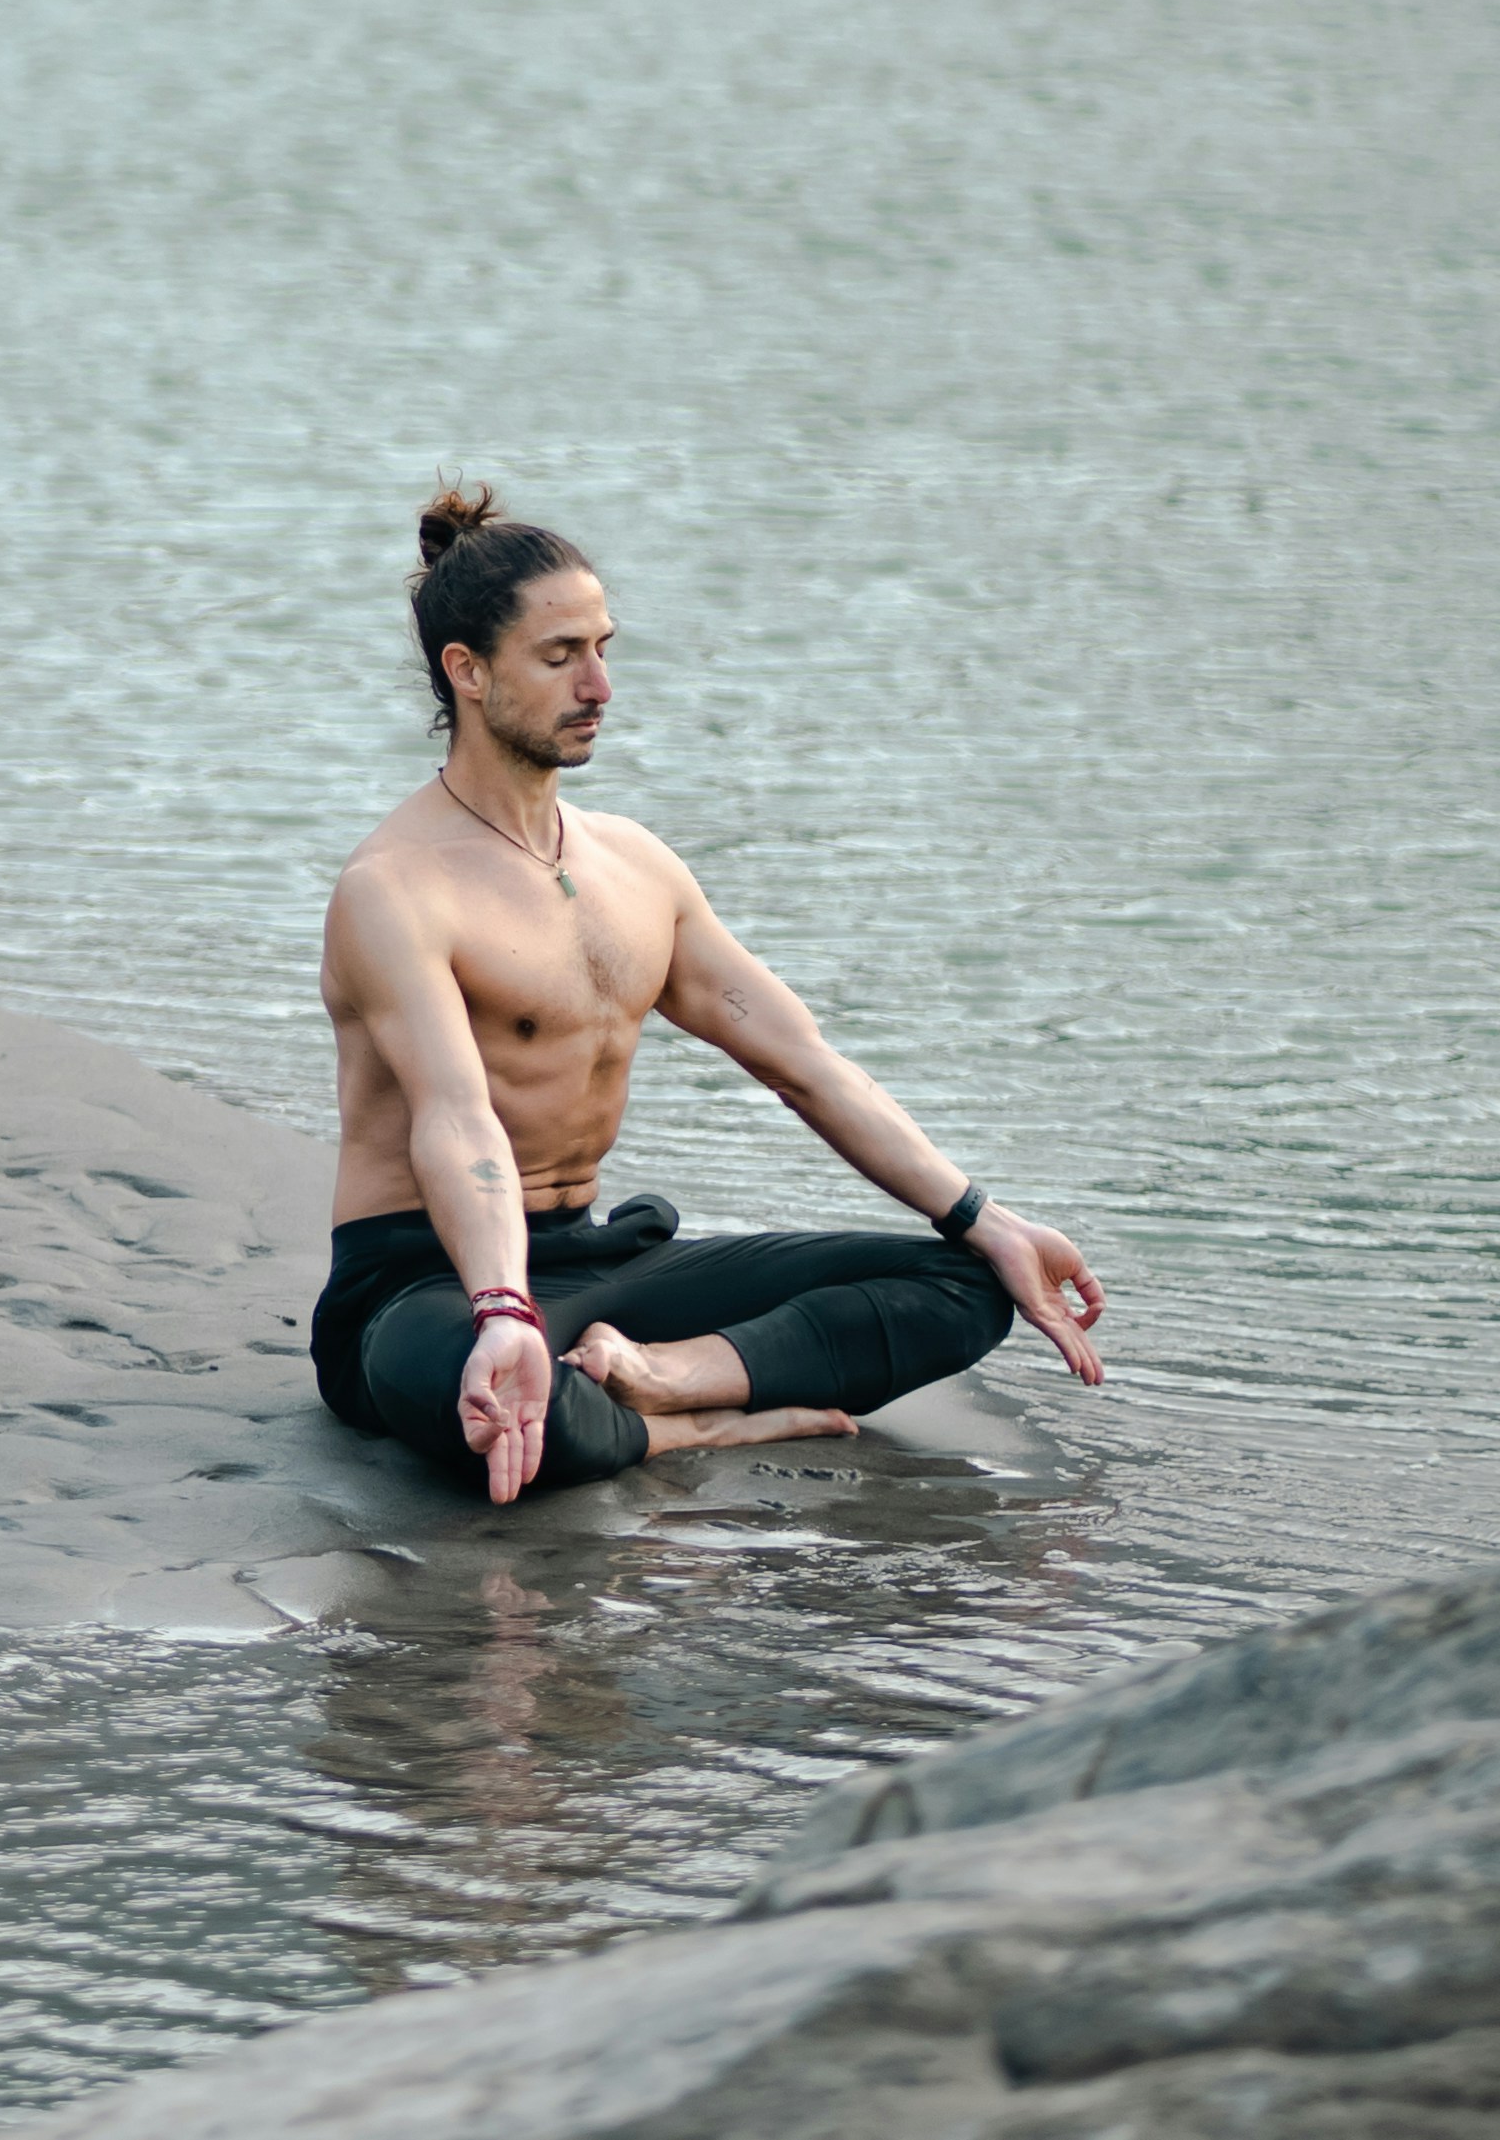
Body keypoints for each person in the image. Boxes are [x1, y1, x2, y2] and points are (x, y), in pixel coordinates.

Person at [315, 487, 1106, 1503]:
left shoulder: (636, 867)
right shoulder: (395, 890)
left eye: (604, 647)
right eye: (559, 657)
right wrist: (504, 1309)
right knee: (510, 1415)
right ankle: (677, 1431)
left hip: (596, 1258)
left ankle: (667, 1380)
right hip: (424, 1286)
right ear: (466, 672)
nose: (599, 684)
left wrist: (983, 1217)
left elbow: (806, 1065)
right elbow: (456, 1118)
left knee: (964, 1283)